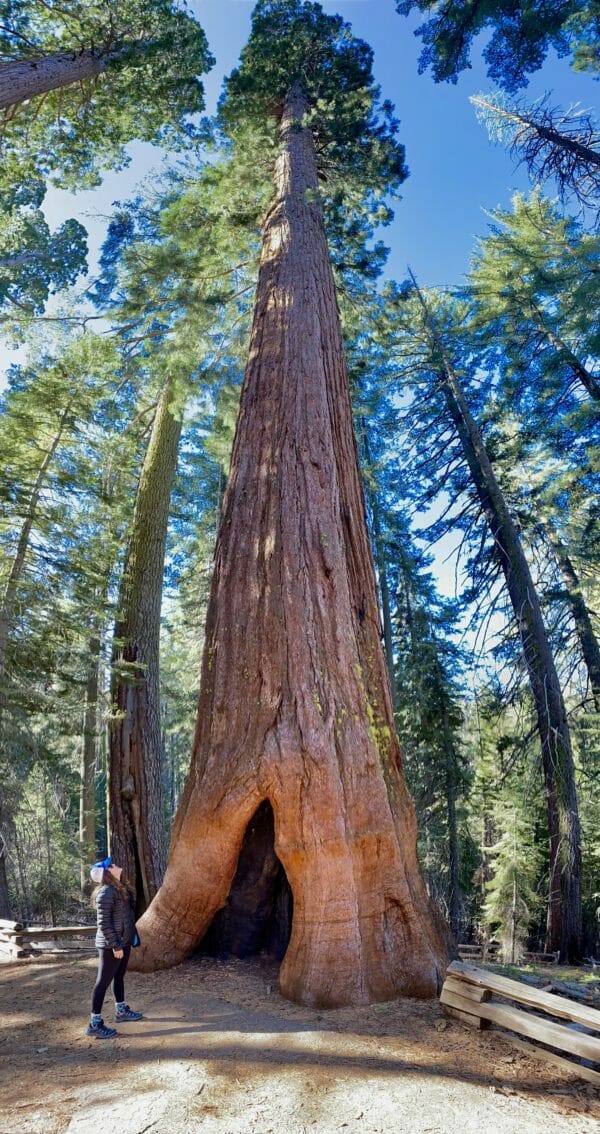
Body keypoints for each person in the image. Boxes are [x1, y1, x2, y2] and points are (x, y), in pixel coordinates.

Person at [86, 856, 143, 1039]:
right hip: (110, 945)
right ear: (107, 873)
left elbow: (126, 917)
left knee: (119, 977)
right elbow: (104, 923)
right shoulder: (106, 893)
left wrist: (130, 938)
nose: (116, 865)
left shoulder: (120, 889)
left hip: (123, 942)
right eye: (111, 865)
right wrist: (115, 946)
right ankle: (94, 1024)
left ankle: (121, 1011)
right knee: (102, 982)